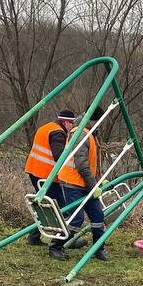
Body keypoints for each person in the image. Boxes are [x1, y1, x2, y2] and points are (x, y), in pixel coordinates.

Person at [23, 110, 86, 249]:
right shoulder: (58, 133)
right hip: (47, 176)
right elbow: (59, 156)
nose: (73, 126)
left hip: (34, 170)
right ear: (65, 122)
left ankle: (34, 236)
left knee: (45, 206)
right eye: (72, 123)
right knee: (62, 207)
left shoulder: (46, 127)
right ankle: (64, 240)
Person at [55, 113, 108, 261]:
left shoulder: (90, 134)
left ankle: (99, 248)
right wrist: (94, 185)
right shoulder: (80, 134)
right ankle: (56, 246)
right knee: (75, 219)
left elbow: (91, 162)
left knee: (98, 216)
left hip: (85, 183)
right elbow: (81, 164)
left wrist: (98, 180)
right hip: (73, 183)